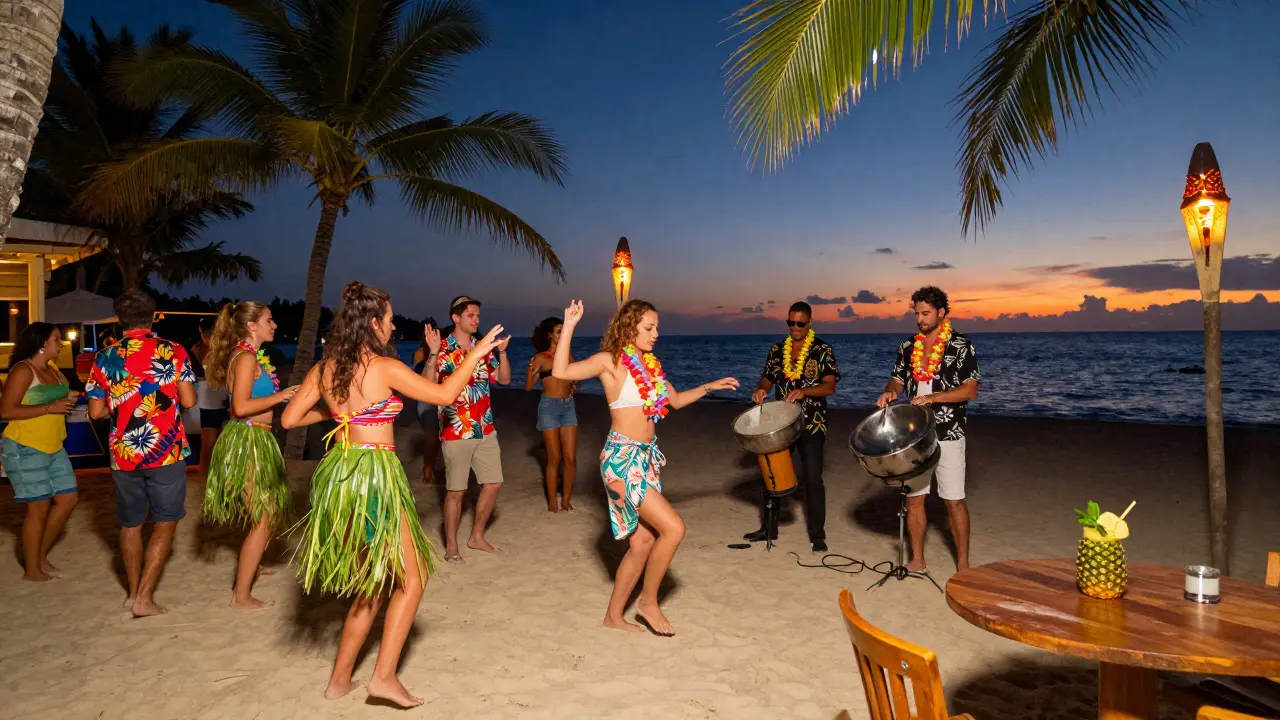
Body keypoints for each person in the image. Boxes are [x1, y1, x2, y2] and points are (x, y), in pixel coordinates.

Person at [282, 281, 504, 707]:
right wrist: (475, 355)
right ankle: (383, 677)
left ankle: (339, 680)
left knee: (374, 582)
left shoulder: (325, 369)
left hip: (341, 475)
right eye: (387, 318)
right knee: (413, 577)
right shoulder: (382, 367)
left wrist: (336, 410)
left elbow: (291, 418)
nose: (392, 324)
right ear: (371, 323)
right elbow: (443, 394)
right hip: (374, 476)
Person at [551, 299, 738, 635]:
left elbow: (676, 400)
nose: (656, 334)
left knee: (642, 544)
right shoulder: (609, 362)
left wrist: (710, 386)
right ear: (629, 326)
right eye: (649, 328)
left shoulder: (649, 364)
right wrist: (569, 326)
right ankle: (648, 602)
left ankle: (612, 616)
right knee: (674, 529)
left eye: (657, 327)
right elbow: (561, 372)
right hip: (622, 460)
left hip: (646, 457)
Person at [86, 290, 198, 617]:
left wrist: (121, 403)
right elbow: (189, 401)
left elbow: (95, 412)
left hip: (123, 454)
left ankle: (133, 592)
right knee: (165, 521)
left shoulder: (104, 357)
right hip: (165, 450)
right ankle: (144, 598)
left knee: (130, 523)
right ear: (154, 316)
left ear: (119, 319)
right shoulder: (173, 351)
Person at [201, 301, 299, 609]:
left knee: (264, 512)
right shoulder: (244, 358)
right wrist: (281, 396)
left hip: (259, 438)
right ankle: (241, 595)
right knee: (265, 516)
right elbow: (240, 407)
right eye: (269, 320)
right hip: (247, 440)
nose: (275, 325)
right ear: (252, 326)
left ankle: (251, 566)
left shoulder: (251, 356)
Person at [876, 286, 980, 573]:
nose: (919, 319)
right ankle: (918, 560)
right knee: (914, 500)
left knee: (954, 501)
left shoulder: (961, 345)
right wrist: (889, 392)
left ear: (942, 313)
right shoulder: (908, 347)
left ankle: (963, 567)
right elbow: (897, 380)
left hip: (949, 431)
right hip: (915, 435)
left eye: (926, 313)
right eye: (916, 313)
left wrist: (933, 398)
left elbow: (970, 389)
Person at [746, 301, 840, 552]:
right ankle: (769, 528)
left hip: (812, 423)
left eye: (800, 323)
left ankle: (818, 535)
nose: (795, 327)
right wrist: (761, 390)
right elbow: (767, 379)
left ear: (809, 323)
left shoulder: (822, 350)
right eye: (791, 322)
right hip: (782, 424)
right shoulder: (777, 350)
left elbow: (830, 386)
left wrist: (804, 391)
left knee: (812, 478)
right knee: (771, 474)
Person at [428, 296, 510, 562]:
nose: (476, 320)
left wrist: (503, 352)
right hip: (456, 428)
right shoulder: (441, 347)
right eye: (471, 315)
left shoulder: (482, 346)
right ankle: (452, 546)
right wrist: (431, 354)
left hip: (485, 427)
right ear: (456, 317)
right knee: (456, 492)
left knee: (494, 483)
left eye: (477, 316)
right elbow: (426, 386)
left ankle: (476, 536)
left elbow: (504, 380)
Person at [0, 323, 79, 581]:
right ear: (42, 343)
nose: (62, 343)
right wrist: (50, 408)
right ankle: (32, 570)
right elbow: (6, 411)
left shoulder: (53, 369)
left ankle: (39, 555)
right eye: (57, 338)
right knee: (39, 508)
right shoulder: (24, 370)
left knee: (68, 500)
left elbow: (54, 399)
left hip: (54, 444)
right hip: (25, 445)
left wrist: (70, 397)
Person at [526, 317, 578, 513]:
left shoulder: (568, 356)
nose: (561, 333)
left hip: (568, 406)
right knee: (554, 458)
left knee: (571, 458)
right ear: (550, 334)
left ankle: (565, 500)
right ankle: (552, 503)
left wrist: (573, 386)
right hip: (548, 407)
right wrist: (532, 371)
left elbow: (571, 382)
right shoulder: (541, 358)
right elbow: (529, 387)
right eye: (558, 330)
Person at [190, 316, 229, 472]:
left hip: (213, 400)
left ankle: (206, 472)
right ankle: (206, 472)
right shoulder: (223, 348)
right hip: (215, 400)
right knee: (212, 442)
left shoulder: (198, 349)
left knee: (210, 443)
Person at [410, 320, 442, 484]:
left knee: (443, 437)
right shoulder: (420, 354)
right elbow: (417, 380)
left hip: (442, 400)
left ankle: (437, 468)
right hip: (425, 401)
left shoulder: (445, 352)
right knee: (431, 438)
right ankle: (428, 469)